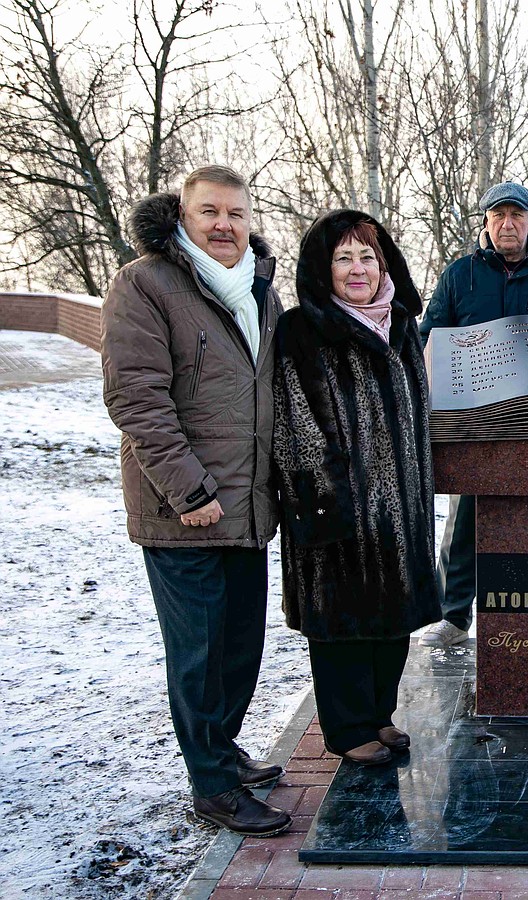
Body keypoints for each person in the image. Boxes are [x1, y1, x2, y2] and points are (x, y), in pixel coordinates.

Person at [101, 165, 290, 837]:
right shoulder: (145, 284)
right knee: (201, 654)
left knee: (239, 649)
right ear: (182, 217)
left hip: (246, 511)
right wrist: (190, 490)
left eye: (236, 213)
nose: (223, 224)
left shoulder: (260, 294)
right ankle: (210, 785)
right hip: (187, 511)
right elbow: (137, 399)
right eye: (208, 211)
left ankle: (223, 752)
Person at [274, 209, 441, 766]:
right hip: (336, 508)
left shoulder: (401, 326)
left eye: (367, 256)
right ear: (323, 269)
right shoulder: (303, 328)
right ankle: (348, 730)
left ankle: (378, 715)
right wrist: (322, 501)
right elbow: (293, 422)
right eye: (343, 258)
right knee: (345, 625)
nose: (357, 268)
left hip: (402, 508)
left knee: (393, 622)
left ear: (385, 262)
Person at [418, 181, 528, 650]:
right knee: (464, 521)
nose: (508, 224)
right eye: (498, 216)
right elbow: (430, 339)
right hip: (476, 421)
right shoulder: (459, 276)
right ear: (486, 224)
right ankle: (453, 614)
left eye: (516, 215)